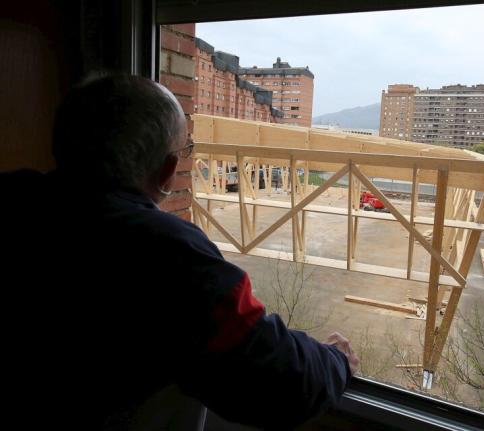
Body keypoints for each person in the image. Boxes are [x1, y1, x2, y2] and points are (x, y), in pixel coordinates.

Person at [1, 74, 358, 429]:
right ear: (169, 171)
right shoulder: (168, 252)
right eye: (184, 152)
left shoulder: (17, 201)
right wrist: (335, 360)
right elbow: (280, 380)